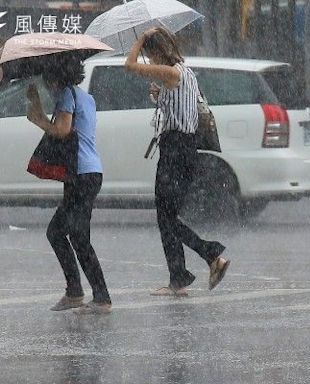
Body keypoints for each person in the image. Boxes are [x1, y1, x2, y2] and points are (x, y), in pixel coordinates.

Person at [124, 27, 230, 297]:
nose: (149, 59)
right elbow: (183, 106)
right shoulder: (186, 72)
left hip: (175, 151)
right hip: (185, 150)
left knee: (166, 217)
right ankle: (180, 276)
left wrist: (140, 39)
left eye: (150, 53)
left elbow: (129, 66)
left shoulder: (172, 73)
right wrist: (161, 97)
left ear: (158, 51)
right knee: (167, 216)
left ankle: (209, 256)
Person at [26, 55, 112, 314]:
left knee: (75, 236)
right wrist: (39, 107)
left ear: (55, 77)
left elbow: (63, 130)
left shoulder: (66, 94)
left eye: (47, 78)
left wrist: (39, 118)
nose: (46, 83)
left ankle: (100, 297)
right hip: (89, 173)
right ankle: (76, 291)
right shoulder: (85, 97)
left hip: (81, 174)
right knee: (63, 232)